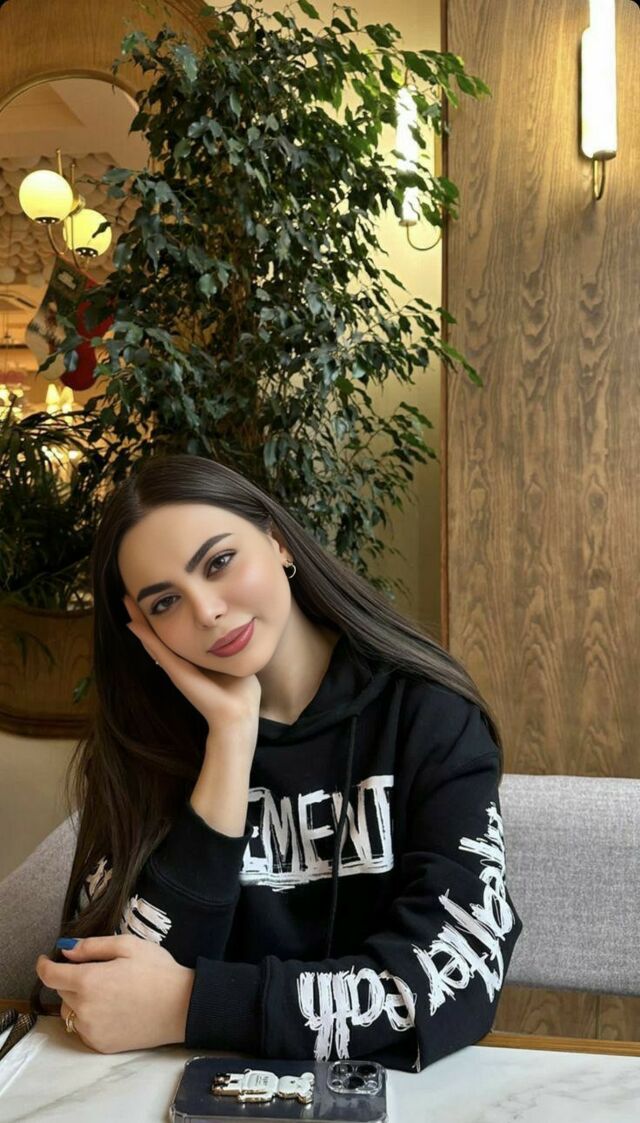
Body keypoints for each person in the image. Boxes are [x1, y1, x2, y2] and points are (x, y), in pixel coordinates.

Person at [33, 453, 523, 1070]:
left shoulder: (428, 715)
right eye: (164, 603)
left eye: (219, 562)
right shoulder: (143, 748)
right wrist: (230, 741)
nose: (206, 611)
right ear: (143, 631)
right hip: (170, 1094)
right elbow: (109, 994)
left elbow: (455, 976)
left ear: (278, 542)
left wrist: (188, 1004)